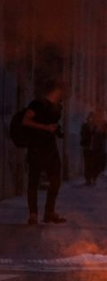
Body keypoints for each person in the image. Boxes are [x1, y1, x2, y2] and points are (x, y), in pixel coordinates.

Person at [22, 83, 66, 225]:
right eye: (61, 92)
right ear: (55, 91)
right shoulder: (37, 104)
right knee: (33, 181)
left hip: (50, 148)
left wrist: (56, 129)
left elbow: (52, 123)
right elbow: (26, 121)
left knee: (55, 180)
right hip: (36, 147)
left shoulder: (57, 107)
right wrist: (46, 127)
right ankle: (33, 214)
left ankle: (49, 212)